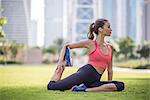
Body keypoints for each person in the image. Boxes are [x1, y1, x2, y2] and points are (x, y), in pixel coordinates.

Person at [47, 18, 125, 92]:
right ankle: (59, 73)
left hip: (95, 79)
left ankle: (83, 89)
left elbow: (110, 70)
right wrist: (60, 62)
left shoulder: (110, 47)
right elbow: (66, 46)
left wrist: (109, 85)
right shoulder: (90, 43)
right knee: (52, 86)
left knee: (120, 85)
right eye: (108, 27)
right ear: (100, 29)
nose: (110, 29)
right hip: (84, 74)